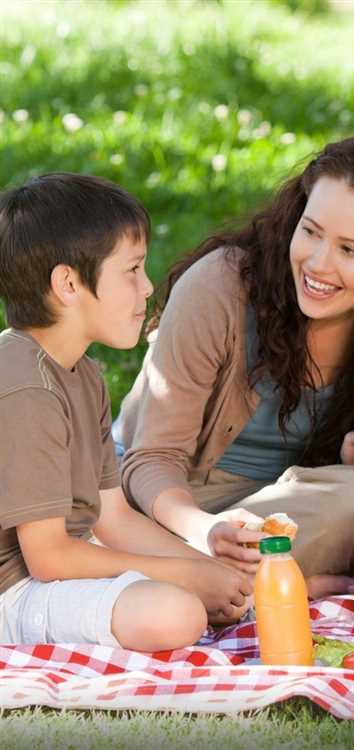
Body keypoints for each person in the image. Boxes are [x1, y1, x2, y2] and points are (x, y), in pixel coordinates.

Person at [115, 135, 354, 599]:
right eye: (310, 232)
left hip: (281, 513)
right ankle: (270, 584)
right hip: (170, 502)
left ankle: (210, 582)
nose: (317, 264)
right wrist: (204, 529)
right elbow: (150, 459)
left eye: (350, 250)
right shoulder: (219, 288)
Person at [0, 174, 252, 650]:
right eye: (132, 270)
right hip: (12, 590)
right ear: (69, 283)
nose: (148, 286)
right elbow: (48, 558)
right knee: (175, 612)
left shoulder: (84, 374)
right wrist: (185, 577)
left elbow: (112, 518)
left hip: (57, 569)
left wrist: (205, 570)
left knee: (205, 590)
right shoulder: (24, 385)